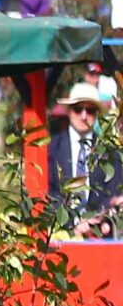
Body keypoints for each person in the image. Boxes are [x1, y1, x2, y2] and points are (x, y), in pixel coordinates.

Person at [50, 83, 123, 234]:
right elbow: (48, 191)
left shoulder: (109, 153)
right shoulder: (52, 149)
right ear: (69, 111)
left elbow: (114, 193)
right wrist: (73, 223)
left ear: (96, 114)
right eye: (78, 109)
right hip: (59, 234)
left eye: (90, 111)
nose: (83, 116)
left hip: (99, 233)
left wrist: (95, 219)